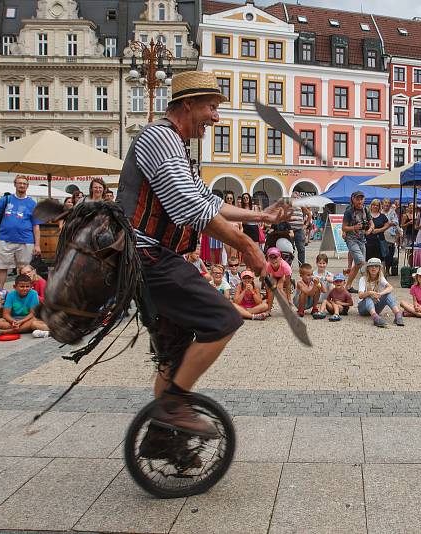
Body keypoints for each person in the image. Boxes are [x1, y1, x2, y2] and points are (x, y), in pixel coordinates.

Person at [116, 71, 290, 441]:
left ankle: (160, 439)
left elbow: (208, 202)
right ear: (188, 104)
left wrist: (260, 216)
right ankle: (175, 404)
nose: (216, 117)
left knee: (174, 353)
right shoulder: (161, 138)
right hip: (150, 258)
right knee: (223, 317)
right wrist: (248, 246)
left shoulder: (176, 146)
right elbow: (189, 208)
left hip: (154, 259)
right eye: (211, 107)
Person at [0, 176, 42, 288]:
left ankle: (23, 294)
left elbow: (36, 225)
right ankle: (0, 293)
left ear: (27, 186)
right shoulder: (6, 199)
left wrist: (37, 245)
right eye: (19, 183)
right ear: (15, 184)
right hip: (4, 239)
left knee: (25, 269)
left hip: (26, 241)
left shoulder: (32, 203)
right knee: (1, 268)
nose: (22, 185)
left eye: (24, 183)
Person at [0, 273, 49, 338]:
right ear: (15, 287)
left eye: (27, 286)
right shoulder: (10, 295)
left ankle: (5, 332)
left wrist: (21, 321)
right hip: (14, 319)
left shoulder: (33, 294)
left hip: (29, 319)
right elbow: (6, 314)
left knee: (34, 323)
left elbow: (32, 313)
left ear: (31, 286)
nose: (25, 289)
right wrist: (13, 321)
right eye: (22, 286)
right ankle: (24, 329)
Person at [357, 257, 404, 327]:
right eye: (371, 266)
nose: (374, 268)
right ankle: (375, 318)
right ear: (368, 268)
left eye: (376, 266)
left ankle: (398, 315)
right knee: (368, 297)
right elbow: (360, 295)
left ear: (379, 269)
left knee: (388, 294)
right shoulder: (363, 279)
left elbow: (390, 287)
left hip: (376, 307)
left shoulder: (381, 278)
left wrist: (380, 294)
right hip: (363, 308)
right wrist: (370, 293)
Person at [342, 191, 373, 293]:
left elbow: (371, 224)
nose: (360, 201)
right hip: (351, 239)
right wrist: (354, 227)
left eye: (361, 199)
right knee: (361, 262)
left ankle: (348, 286)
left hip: (362, 239)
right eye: (357, 199)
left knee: (358, 264)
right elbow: (344, 227)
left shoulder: (366, 209)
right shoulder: (348, 211)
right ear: (353, 199)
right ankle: (368, 287)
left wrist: (369, 230)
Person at [264, 247, 292, 312]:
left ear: (280, 257)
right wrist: (267, 295)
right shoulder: (267, 266)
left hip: (283, 276)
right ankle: (269, 309)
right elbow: (265, 280)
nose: (273, 260)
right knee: (272, 288)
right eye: (271, 258)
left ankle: (287, 307)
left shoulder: (285, 266)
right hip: (273, 275)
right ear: (268, 258)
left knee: (279, 289)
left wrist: (289, 297)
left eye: (275, 257)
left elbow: (288, 284)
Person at [365, 199, 390, 263]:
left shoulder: (382, 216)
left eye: (377, 205)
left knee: (380, 259)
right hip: (368, 240)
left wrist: (379, 230)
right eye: (374, 205)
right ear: (371, 206)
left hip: (379, 240)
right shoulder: (366, 215)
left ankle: (380, 272)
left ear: (379, 206)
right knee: (368, 259)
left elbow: (387, 225)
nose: (375, 206)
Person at [289, 191, 308, 266]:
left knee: (301, 249)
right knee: (289, 249)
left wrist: (306, 225)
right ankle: (288, 265)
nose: (295, 199)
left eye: (297, 197)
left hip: (299, 230)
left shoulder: (301, 205)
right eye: (294, 197)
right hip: (289, 231)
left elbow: (309, 214)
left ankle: (302, 266)